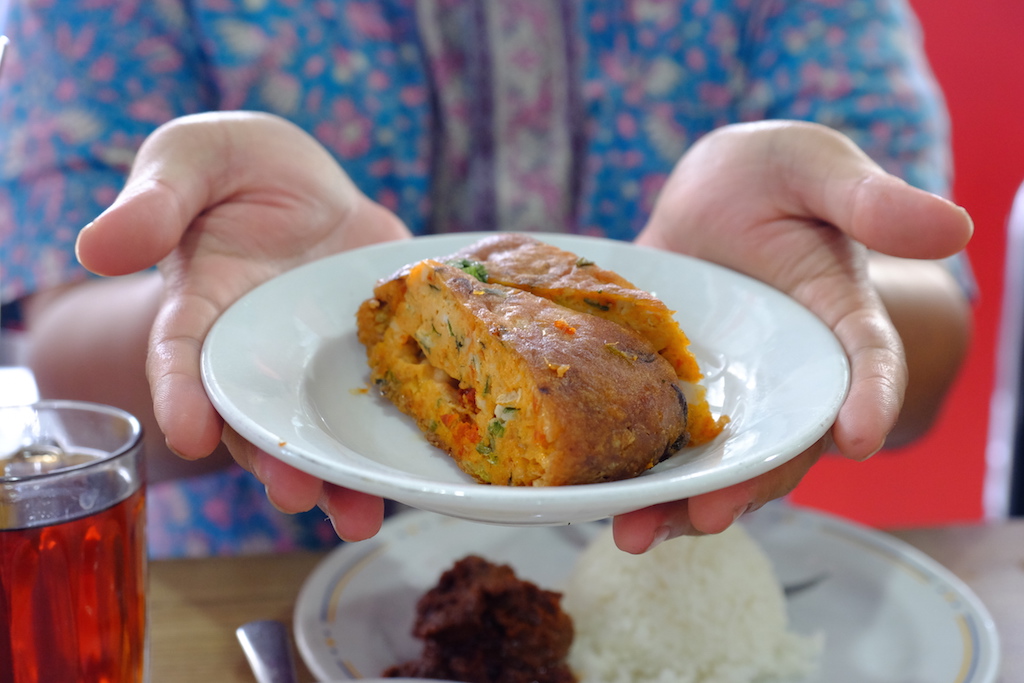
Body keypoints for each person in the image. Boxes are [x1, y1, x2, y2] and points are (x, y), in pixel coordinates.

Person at [0, 1, 973, 556]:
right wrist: (242, 325)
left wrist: (789, 317)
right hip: (251, 591)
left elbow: (925, 323)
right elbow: (69, 372)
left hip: (681, 578)